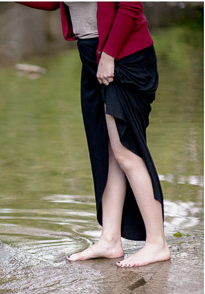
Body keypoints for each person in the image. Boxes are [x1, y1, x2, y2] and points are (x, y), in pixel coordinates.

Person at [19, 2, 170, 267]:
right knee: (108, 152)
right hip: (91, 57)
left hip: (123, 57)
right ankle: (110, 240)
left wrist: (109, 56)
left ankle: (157, 243)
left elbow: (130, 6)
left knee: (126, 150)